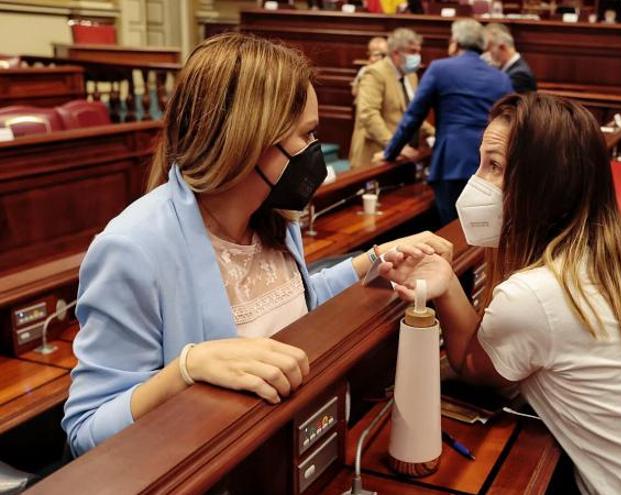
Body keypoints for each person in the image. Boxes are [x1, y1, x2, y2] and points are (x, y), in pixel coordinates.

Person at [62, 32, 452, 457]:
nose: (314, 152)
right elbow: (85, 431)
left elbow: (290, 303)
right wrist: (186, 370)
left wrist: (374, 261)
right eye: (306, 135)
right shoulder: (132, 248)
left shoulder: (272, 215)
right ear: (248, 137)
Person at [389, 92, 621, 494]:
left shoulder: (533, 294)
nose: (477, 179)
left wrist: (447, 284)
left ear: (544, 183)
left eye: (494, 165)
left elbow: (473, 365)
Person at [381, 19, 513, 224]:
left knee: (450, 226)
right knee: (482, 229)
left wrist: (390, 153)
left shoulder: (440, 69)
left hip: (451, 161)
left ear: (456, 42)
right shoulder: (501, 78)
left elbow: (413, 116)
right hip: (490, 164)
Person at [350, 29, 434, 168]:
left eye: (418, 51)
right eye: (412, 52)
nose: (417, 57)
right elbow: (368, 114)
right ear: (395, 53)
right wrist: (394, 146)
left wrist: (434, 133)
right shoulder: (375, 73)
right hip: (376, 155)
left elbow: (413, 114)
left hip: (404, 155)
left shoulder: (410, 75)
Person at [484, 23, 537, 93]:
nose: (487, 54)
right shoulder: (508, 69)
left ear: (502, 47)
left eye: (489, 48)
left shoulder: (520, 75)